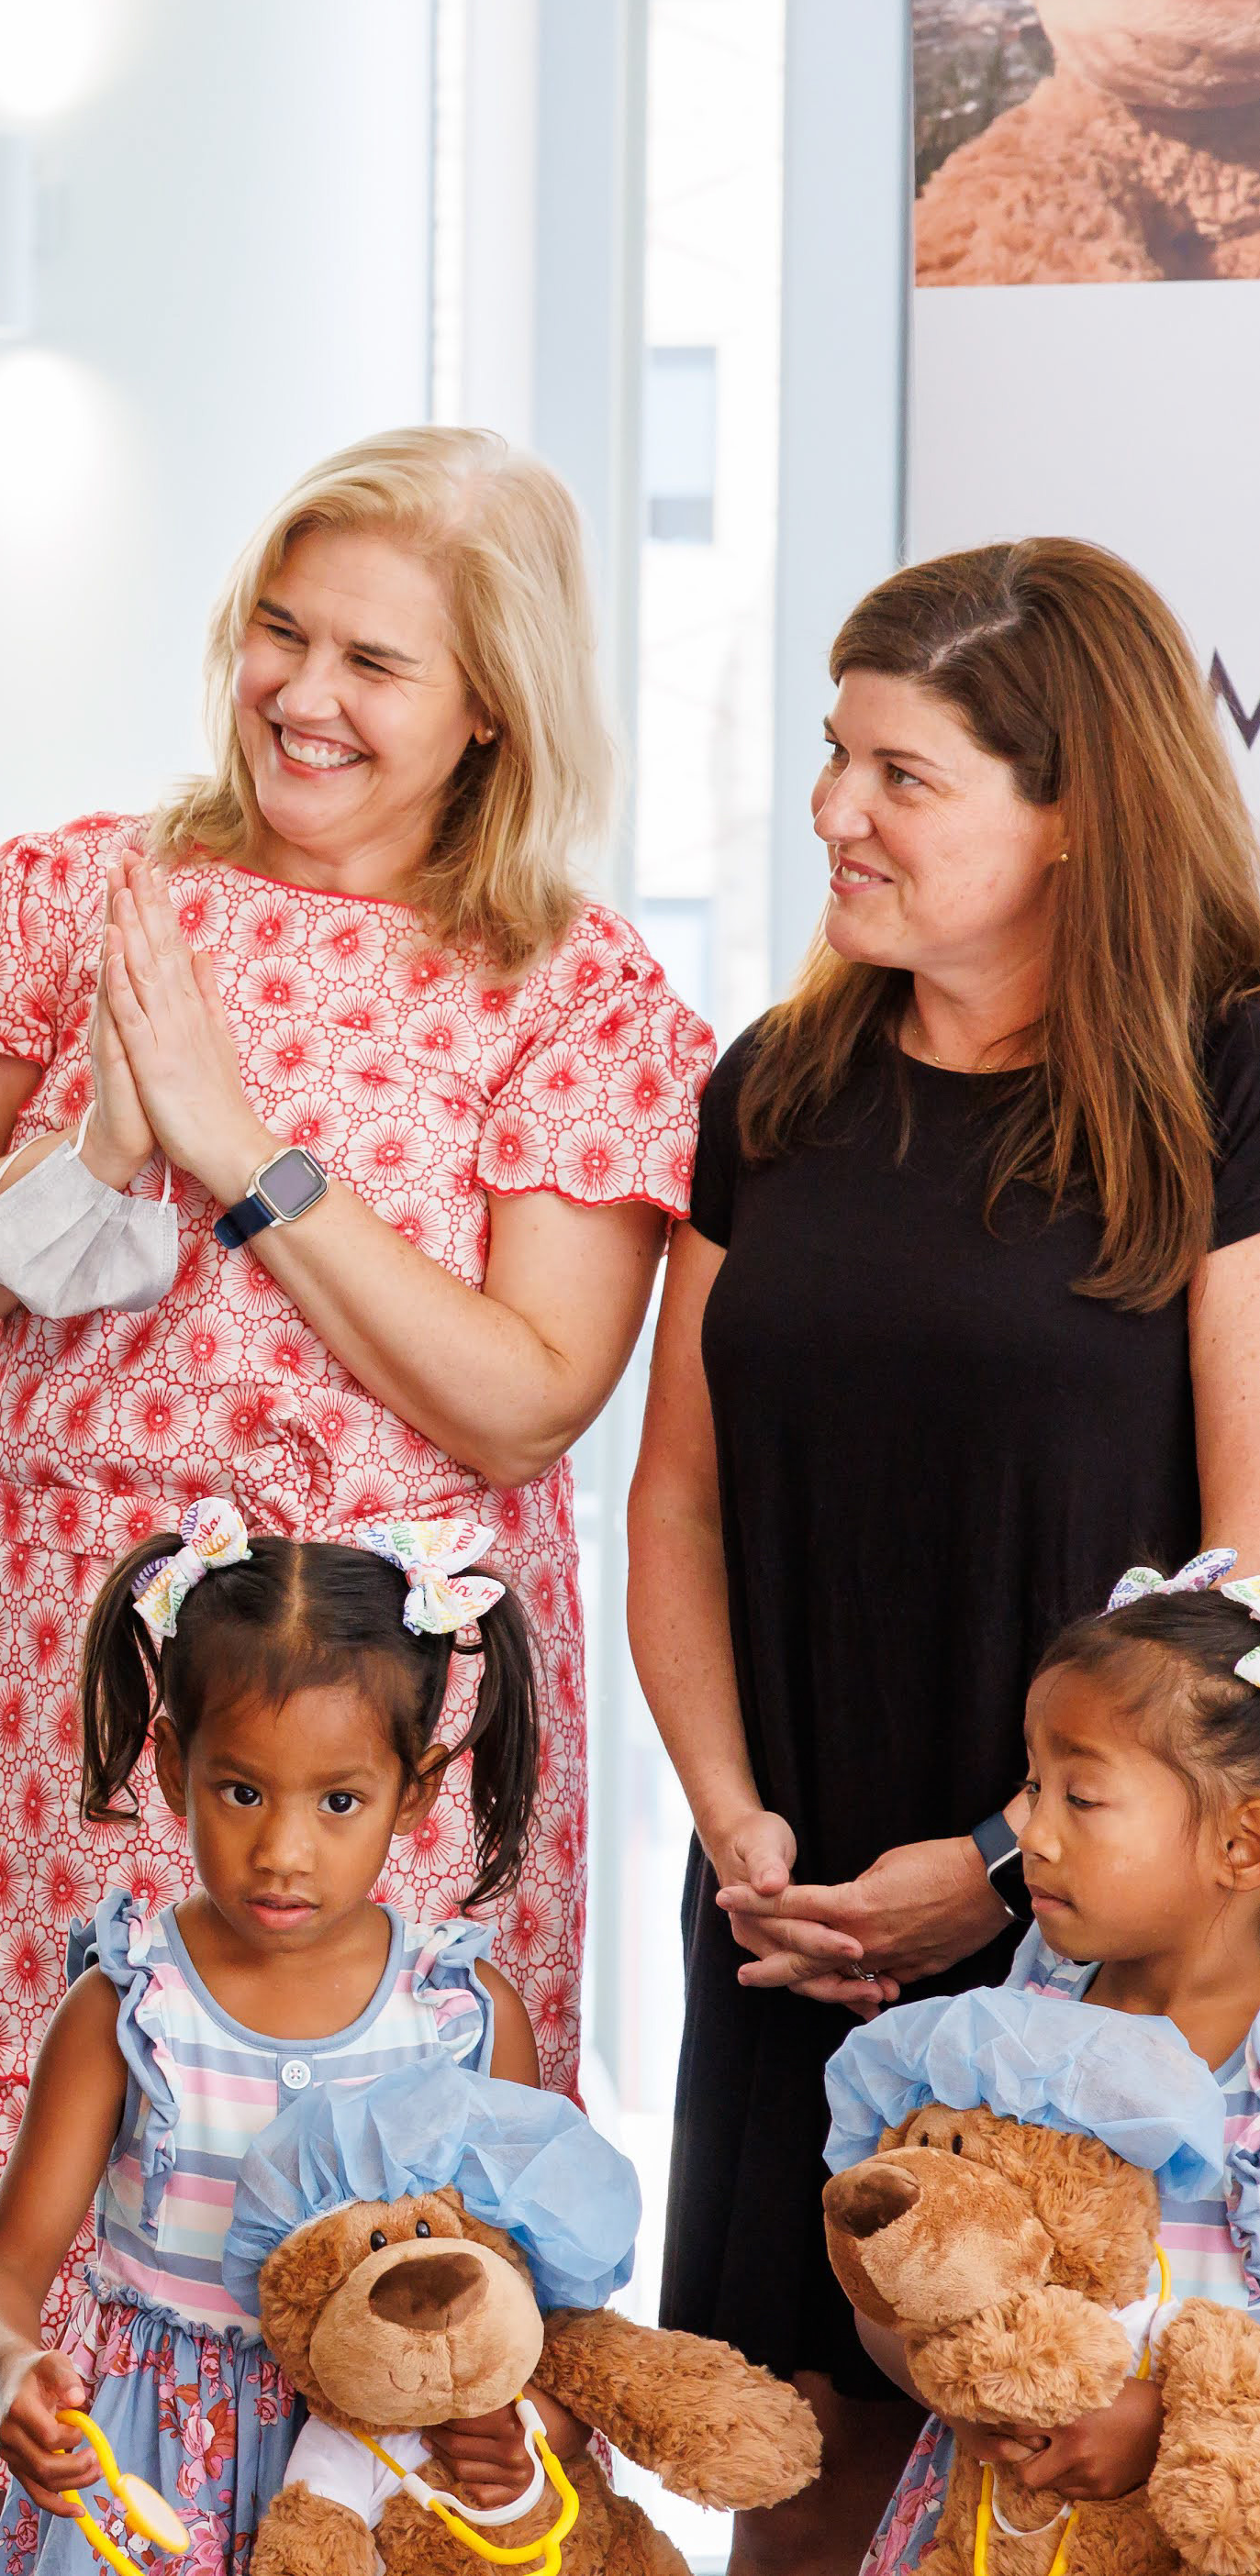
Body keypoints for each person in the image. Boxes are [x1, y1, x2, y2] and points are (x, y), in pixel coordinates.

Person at [0, 426, 712, 2575]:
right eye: (281, 628)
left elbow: (526, 1394)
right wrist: (82, 1161)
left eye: (375, 657)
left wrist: (250, 1158)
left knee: (371, 2301)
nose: (303, 692)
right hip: (69, 1706)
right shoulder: (70, 891)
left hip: (392, 1738)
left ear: (493, 702)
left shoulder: (572, 987)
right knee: (4, 2220)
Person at [625, 538, 1260, 2576]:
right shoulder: (773, 1089)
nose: (834, 810)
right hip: (791, 1924)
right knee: (796, 2463)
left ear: (1071, 804)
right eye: (834, 755)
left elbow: (1250, 1559)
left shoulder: (1229, 1083)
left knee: (1085, 2482)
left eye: (902, 773)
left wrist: (987, 1867)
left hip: (1098, 1929)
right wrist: (744, 1839)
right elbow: (679, 1501)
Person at [0, 1505, 551, 2576]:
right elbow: (0, 2271)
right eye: (240, 1791)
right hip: (151, 2479)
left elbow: (531, 2298)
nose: (282, 1850)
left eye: (338, 1800)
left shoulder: (463, 2017)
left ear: (414, 1791)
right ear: (175, 1759)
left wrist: (520, 2429)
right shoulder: (126, 2008)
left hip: (385, 2479)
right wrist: (12, 2365)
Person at [851, 1561, 1260, 2576]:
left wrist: (1161, 2422)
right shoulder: (1014, 2030)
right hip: (993, 2530)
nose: (1029, 1830)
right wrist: (969, 2383)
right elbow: (886, 2281)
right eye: (1034, 1786)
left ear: (1240, 1842)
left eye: (1079, 1794)